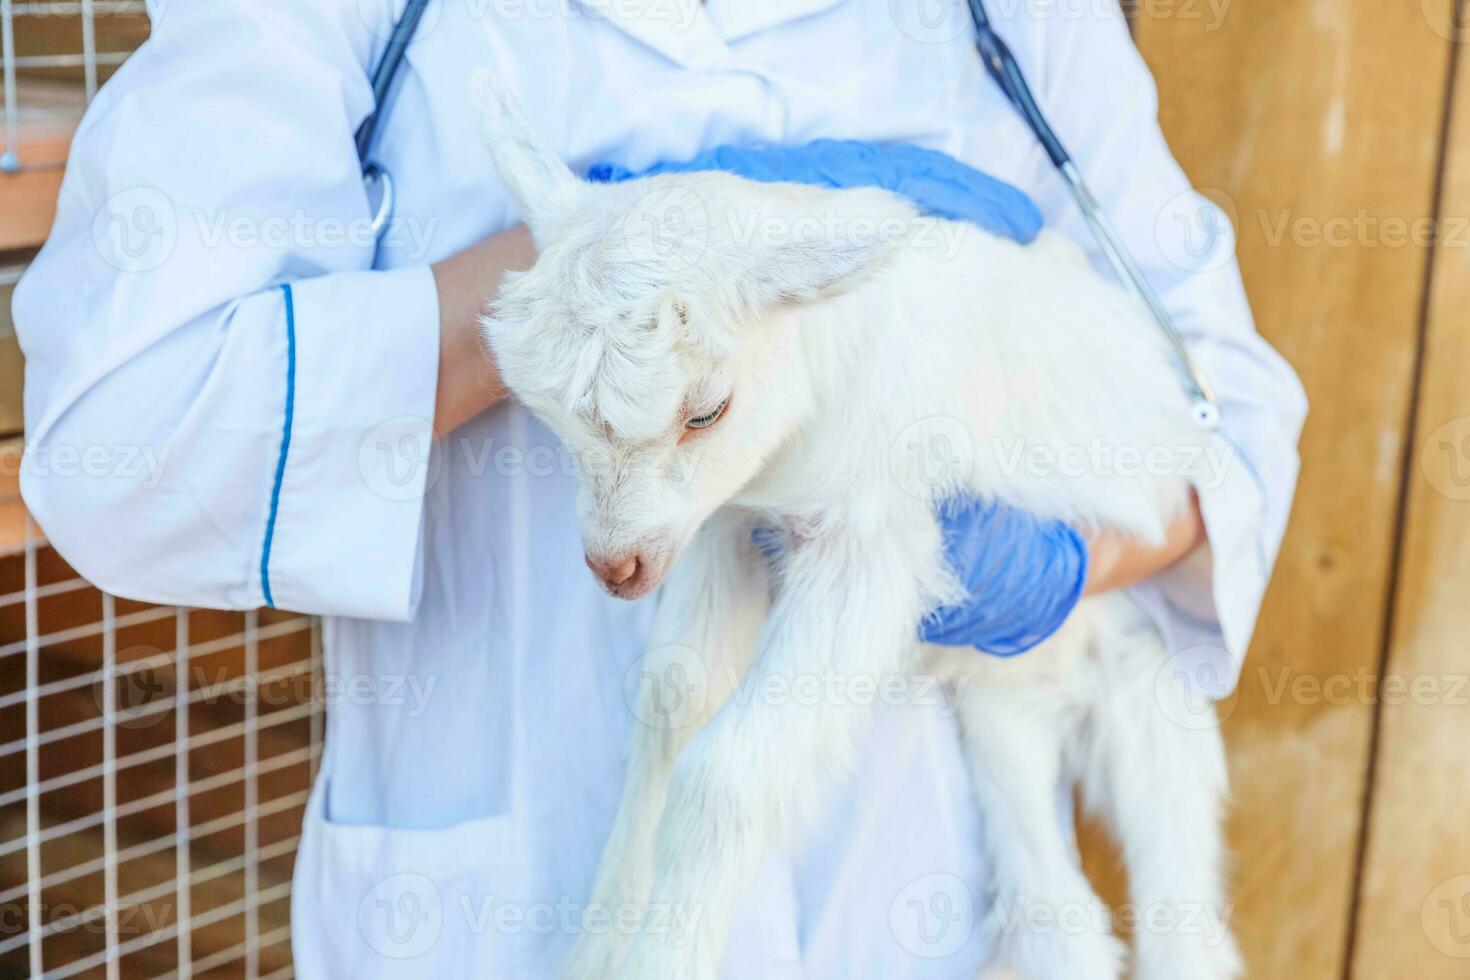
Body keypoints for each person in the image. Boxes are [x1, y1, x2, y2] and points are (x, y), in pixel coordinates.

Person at [13, 1, 1306, 976]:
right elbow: (127, 444)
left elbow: (1225, 425)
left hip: (905, 900)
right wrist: (585, 277)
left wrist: (1059, 553)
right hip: (491, 909)